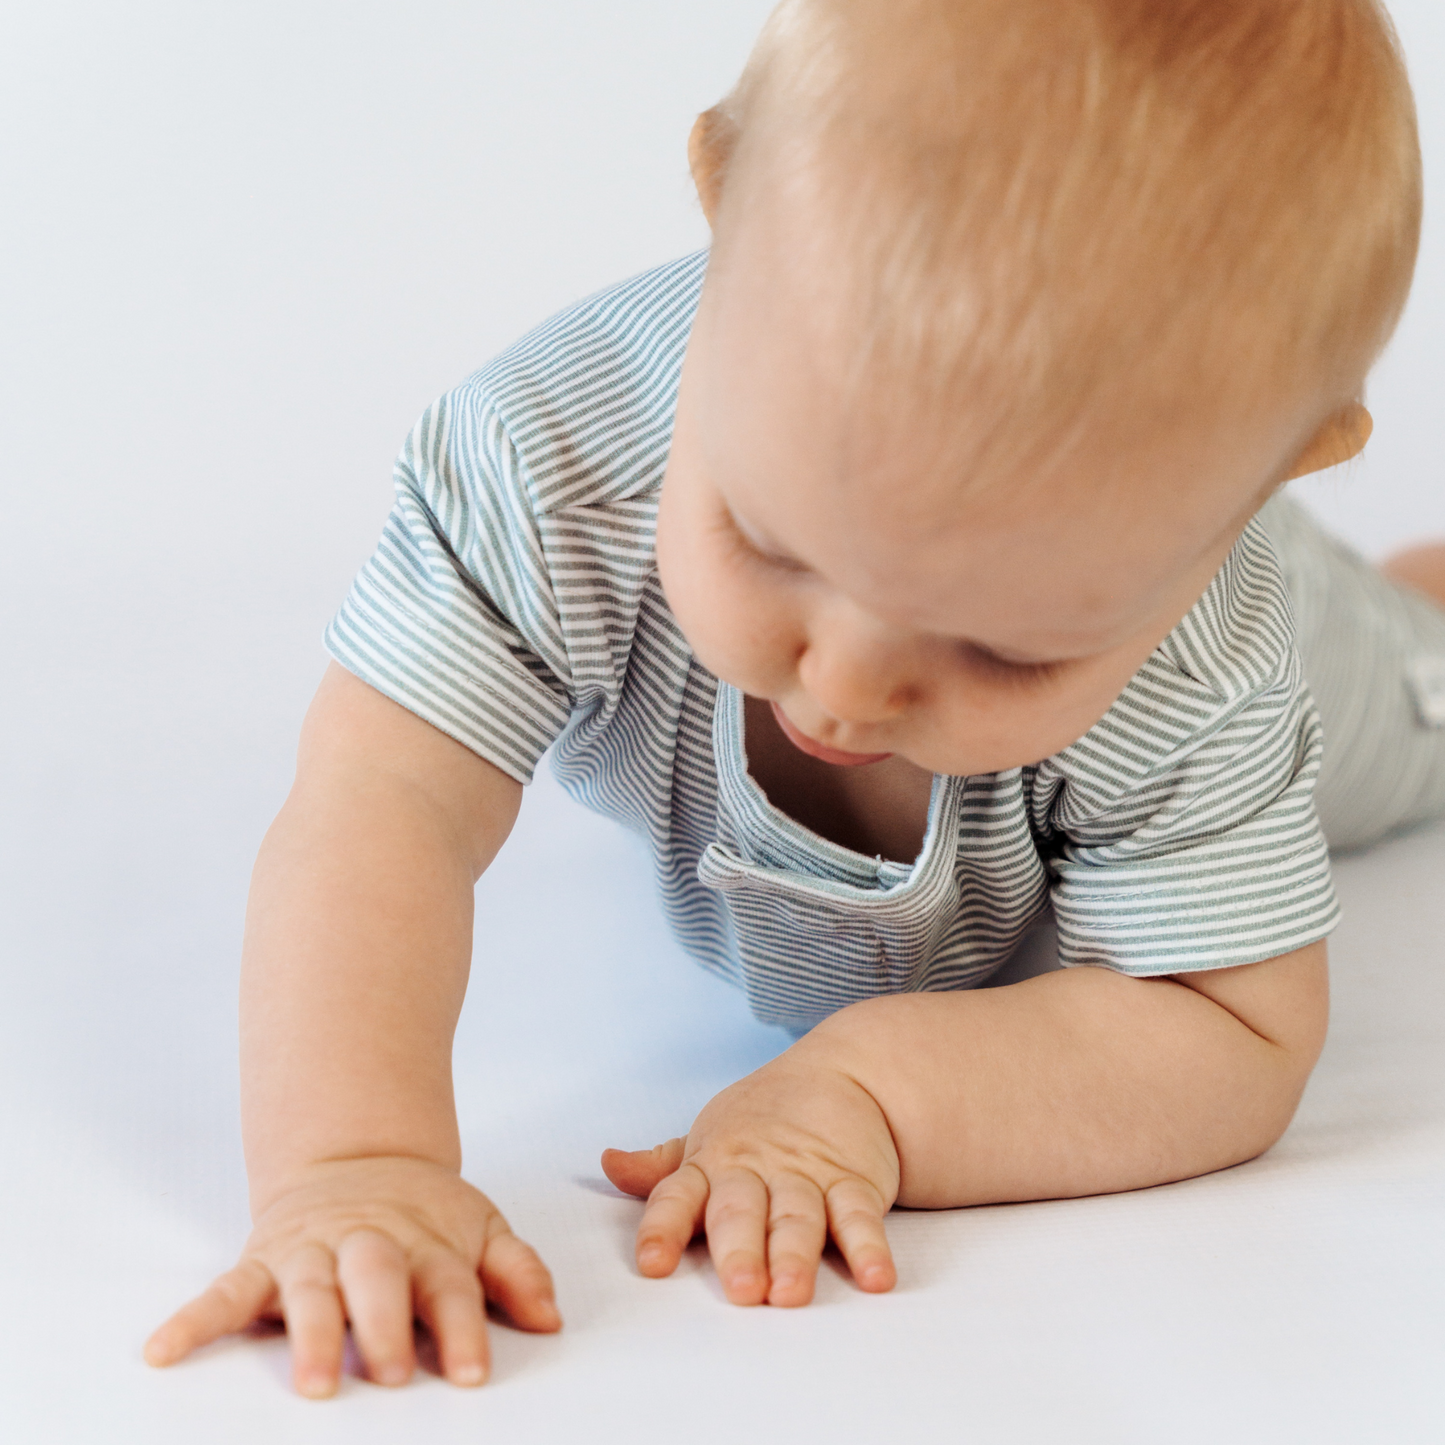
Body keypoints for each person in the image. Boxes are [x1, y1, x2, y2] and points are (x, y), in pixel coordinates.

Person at [145, 0, 1445, 1399]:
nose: (845, 682)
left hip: (1326, 656)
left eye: (1009, 649)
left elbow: (1230, 1025)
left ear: (1263, 480)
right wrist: (357, 1162)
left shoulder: (1203, 654)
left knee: (1411, 683)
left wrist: (872, 1088)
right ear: (721, 198)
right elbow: (380, 798)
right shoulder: (546, 465)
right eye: (770, 541)